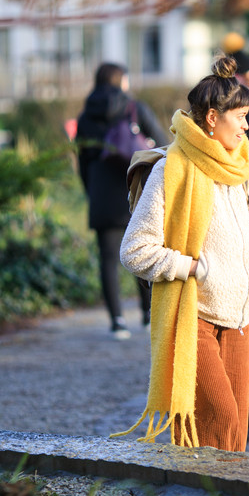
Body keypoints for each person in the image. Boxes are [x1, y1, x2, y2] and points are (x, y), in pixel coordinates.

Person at [114, 56, 249, 452]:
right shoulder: (173, 169)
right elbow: (134, 250)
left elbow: (245, 231)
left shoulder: (244, 167)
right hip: (195, 317)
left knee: (234, 433)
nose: (246, 125)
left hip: (239, 320)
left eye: (247, 116)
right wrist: (191, 267)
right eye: (238, 116)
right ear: (211, 118)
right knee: (219, 421)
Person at [75, 62, 168, 339]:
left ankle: (117, 321)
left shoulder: (85, 117)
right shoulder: (134, 107)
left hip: (102, 193)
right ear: (121, 81)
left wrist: (90, 192)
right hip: (137, 190)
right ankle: (148, 314)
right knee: (144, 249)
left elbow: (82, 161)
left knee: (107, 259)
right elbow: (163, 144)